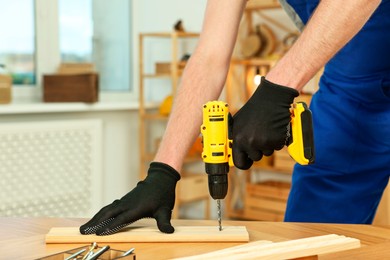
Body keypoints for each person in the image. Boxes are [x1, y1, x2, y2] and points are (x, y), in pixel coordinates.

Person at [80, 0, 388, 236]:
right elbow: (210, 56)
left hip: (353, 88)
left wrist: (277, 88)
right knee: (311, 238)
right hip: (351, 98)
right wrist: (163, 172)